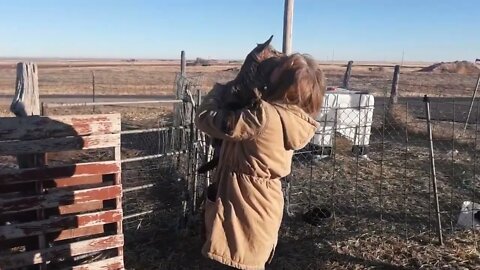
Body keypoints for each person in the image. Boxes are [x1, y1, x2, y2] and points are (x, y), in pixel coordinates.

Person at [195, 53, 325, 270]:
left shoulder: (261, 117)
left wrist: (223, 89)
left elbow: (206, 118)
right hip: (262, 202)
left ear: (282, 84)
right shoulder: (292, 117)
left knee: (235, 260)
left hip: (243, 202)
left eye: (277, 70)